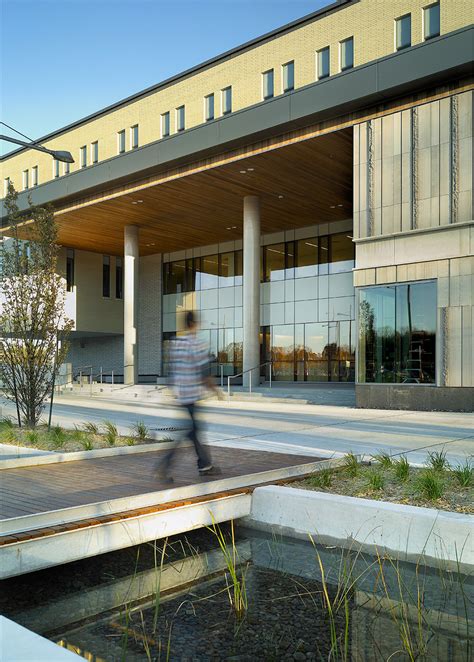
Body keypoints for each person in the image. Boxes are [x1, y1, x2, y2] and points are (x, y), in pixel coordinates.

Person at [157, 310, 221, 482]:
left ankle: (205, 465)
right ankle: (165, 465)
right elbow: (204, 372)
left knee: (194, 431)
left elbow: (171, 370)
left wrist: (172, 390)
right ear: (195, 324)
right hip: (192, 394)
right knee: (191, 431)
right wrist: (216, 390)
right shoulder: (197, 344)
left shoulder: (175, 343)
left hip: (181, 393)